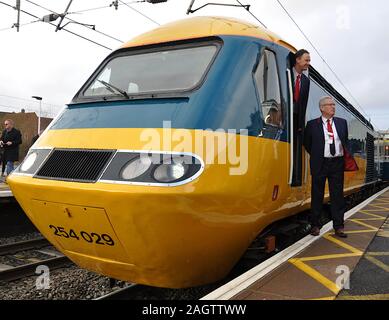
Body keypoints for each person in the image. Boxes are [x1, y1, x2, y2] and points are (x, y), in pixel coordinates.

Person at [304, 96, 350, 238]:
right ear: (322, 108)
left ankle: (339, 226)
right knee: (317, 195)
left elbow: (345, 141)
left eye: (334, 105)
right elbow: (307, 143)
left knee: (337, 196)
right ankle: (315, 225)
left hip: (337, 163)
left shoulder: (342, 123)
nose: (333, 107)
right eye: (330, 105)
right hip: (320, 163)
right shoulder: (312, 125)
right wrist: (319, 155)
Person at [292, 49, 311, 186]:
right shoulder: (284, 72)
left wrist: (301, 127)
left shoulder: (306, 81)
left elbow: (303, 105)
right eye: (306, 60)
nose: (308, 63)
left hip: (297, 121)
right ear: (298, 59)